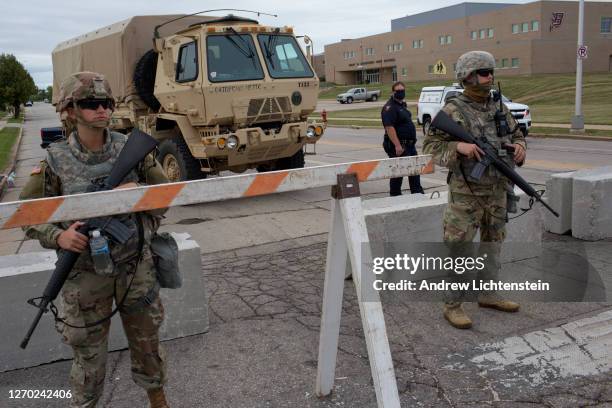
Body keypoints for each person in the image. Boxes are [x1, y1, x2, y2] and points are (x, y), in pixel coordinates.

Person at [19, 72, 171, 407]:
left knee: (147, 344)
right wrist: (59, 236)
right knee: (88, 357)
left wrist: (134, 193)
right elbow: (26, 214)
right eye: (90, 104)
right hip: (85, 273)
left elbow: (165, 196)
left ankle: (158, 400)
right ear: (70, 110)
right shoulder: (55, 159)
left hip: (134, 268)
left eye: (106, 103)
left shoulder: (132, 149)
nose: (101, 110)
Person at [422, 51, 527, 329]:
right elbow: (431, 148)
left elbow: (517, 135)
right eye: (483, 72)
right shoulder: (453, 111)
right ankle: (452, 305)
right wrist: (459, 147)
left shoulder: (498, 107)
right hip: (466, 196)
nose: (489, 77)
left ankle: (488, 294)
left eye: (491, 72)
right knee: (460, 249)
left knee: (493, 246)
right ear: (467, 76)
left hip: (497, 191)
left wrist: (519, 148)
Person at [381, 81, 425, 196]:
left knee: (414, 171)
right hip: (399, 146)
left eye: (402, 90)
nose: (401, 93)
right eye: (398, 91)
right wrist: (397, 145)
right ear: (393, 92)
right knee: (398, 174)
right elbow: (389, 127)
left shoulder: (402, 105)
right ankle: (395, 197)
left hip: (410, 145)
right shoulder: (389, 107)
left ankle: (417, 194)